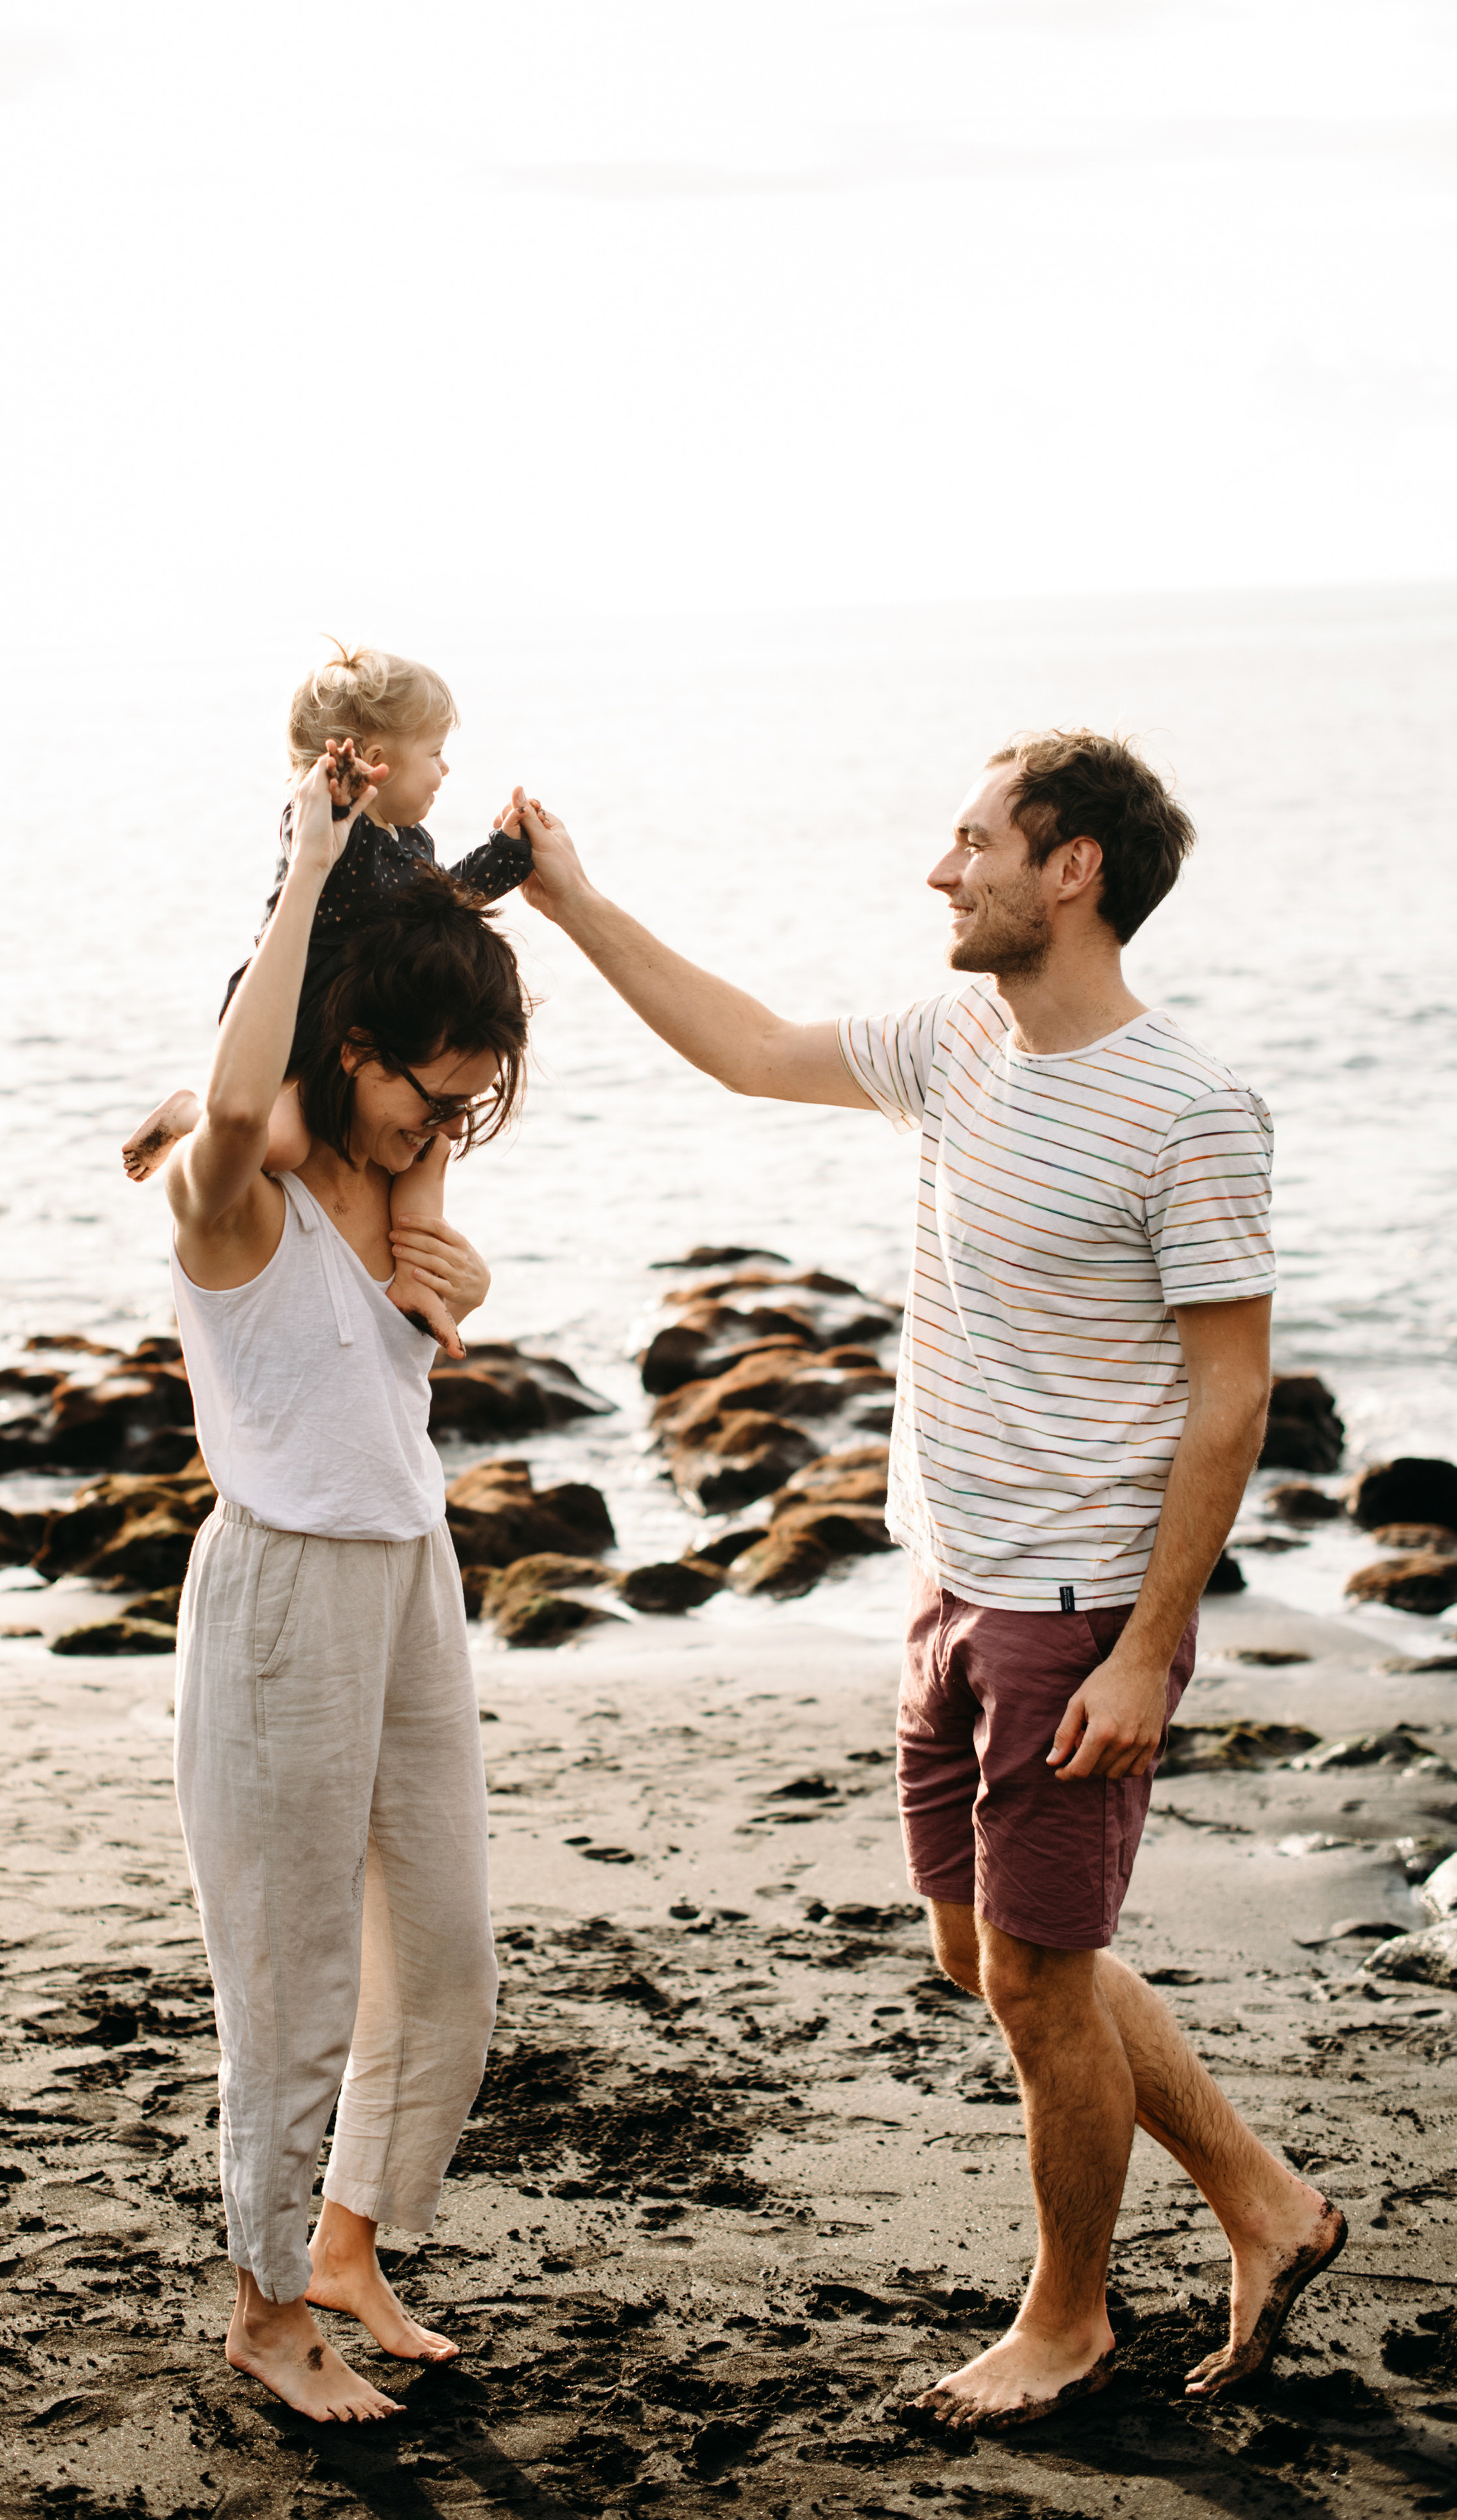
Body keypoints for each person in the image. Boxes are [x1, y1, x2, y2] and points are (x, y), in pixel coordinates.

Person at [511, 732, 1345, 2435]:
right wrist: (569, 898)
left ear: (1071, 869)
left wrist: (1144, 1651)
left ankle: (1067, 2319)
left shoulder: (1190, 1109)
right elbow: (748, 1049)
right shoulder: (955, 1041)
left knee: (1037, 1980)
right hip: (946, 1582)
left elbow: (1230, 1397)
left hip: (1072, 1611)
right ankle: (1266, 2201)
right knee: (988, 1955)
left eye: (972, 842)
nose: (938, 870)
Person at [162, 743, 530, 2424]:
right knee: (291, 1980)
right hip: (280, 1597)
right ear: (354, 1046)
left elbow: (408, 1328)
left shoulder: (395, 1196)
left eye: (461, 1111)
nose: (438, 1130)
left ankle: (346, 2248)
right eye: (425, 1098)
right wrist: (310, 864)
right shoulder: (229, 1199)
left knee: (445, 1963)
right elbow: (239, 1101)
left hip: (406, 1570)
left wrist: (456, 1275)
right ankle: (261, 2308)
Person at [124, 642, 533, 1358]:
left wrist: (507, 856)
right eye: (434, 753)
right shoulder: (329, 830)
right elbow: (305, 850)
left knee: (434, 1144)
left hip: (358, 1015)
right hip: (297, 1019)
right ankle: (194, 1117)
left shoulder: (410, 844)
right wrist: (337, 801)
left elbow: (444, 903)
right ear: (375, 761)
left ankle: (417, 1277)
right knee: (281, 1144)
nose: (445, 770)